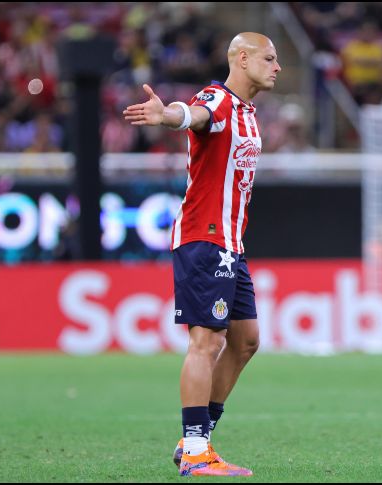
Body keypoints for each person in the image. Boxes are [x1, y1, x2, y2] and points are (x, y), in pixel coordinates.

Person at [123, 32, 281, 477]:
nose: (277, 67)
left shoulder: (248, 114)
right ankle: (195, 451)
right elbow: (193, 114)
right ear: (242, 58)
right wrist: (167, 115)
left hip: (231, 244)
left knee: (245, 340)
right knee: (206, 341)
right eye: (269, 59)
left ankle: (197, 439)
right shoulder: (218, 99)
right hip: (204, 238)